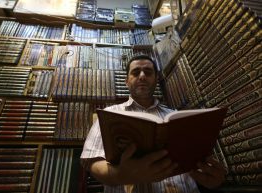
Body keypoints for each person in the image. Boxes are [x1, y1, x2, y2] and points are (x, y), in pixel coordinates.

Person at [81, 54, 226, 193]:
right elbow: (92, 161)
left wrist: (211, 180)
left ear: (156, 80)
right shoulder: (109, 115)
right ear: (126, 81)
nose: (142, 76)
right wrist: (121, 175)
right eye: (136, 72)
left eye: (148, 72)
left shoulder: (176, 117)